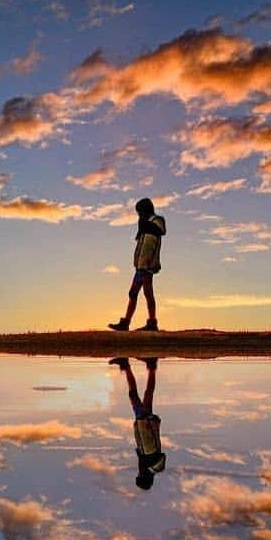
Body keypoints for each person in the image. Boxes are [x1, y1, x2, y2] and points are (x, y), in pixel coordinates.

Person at [109, 197, 165, 332]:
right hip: (140, 267)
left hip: (147, 267)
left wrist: (143, 222)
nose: (139, 215)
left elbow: (160, 230)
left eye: (140, 212)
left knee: (148, 293)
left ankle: (152, 322)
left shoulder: (157, 221)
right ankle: (126, 322)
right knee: (133, 293)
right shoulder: (144, 225)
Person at [109, 356, 165, 489]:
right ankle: (129, 365)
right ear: (144, 477)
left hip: (146, 420)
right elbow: (146, 440)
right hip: (144, 420)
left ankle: (148, 366)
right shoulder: (149, 461)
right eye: (139, 476)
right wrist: (140, 421)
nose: (138, 473)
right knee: (136, 394)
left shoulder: (152, 463)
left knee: (146, 394)